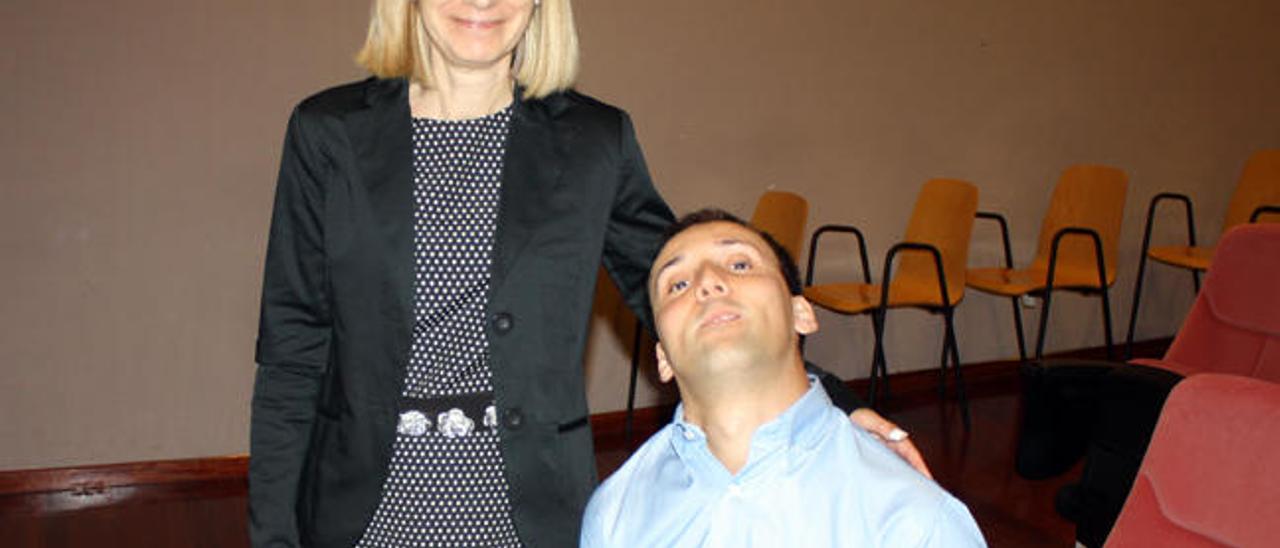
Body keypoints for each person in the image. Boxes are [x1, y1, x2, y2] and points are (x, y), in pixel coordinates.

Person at [250, 1, 925, 546]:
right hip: (364, 507)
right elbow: (292, 352)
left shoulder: (594, 141)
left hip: (530, 507)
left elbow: (684, 292)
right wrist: (275, 535)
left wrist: (829, 400)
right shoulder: (327, 133)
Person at [581, 210, 986, 547]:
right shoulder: (614, 514)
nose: (707, 282)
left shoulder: (911, 522)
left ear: (802, 314)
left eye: (740, 264)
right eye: (678, 284)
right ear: (663, 356)